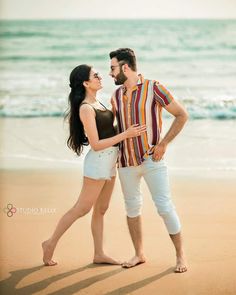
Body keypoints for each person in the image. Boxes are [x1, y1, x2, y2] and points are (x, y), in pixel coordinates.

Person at [42, 64, 146, 266]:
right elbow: (97, 144)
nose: (100, 77)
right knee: (81, 209)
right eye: (95, 75)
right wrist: (126, 134)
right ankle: (50, 243)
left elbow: (108, 130)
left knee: (101, 209)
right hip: (98, 163)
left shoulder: (99, 103)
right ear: (86, 83)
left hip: (110, 162)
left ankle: (99, 253)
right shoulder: (85, 108)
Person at [109, 48, 188, 273]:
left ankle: (180, 255)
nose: (110, 73)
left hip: (152, 159)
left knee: (164, 207)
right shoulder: (115, 96)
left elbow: (182, 115)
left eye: (113, 68)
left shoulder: (154, 87)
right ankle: (139, 254)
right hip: (125, 163)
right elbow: (118, 129)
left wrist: (163, 144)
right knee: (132, 208)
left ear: (125, 67)